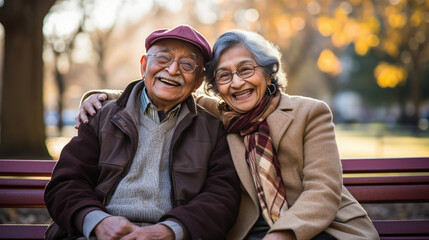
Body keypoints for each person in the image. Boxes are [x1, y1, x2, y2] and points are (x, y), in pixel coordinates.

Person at [77, 30, 379, 240]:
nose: (236, 83)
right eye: (224, 75)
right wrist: (99, 96)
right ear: (213, 86)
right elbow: (162, 89)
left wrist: (284, 235)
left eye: (246, 70)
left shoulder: (309, 113)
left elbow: (322, 191)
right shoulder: (219, 113)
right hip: (251, 231)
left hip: (319, 228)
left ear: (268, 71)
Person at [44, 25, 241, 240]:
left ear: (198, 82)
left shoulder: (211, 128)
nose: (173, 70)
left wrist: (171, 230)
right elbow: (66, 183)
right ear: (144, 66)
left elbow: (221, 197)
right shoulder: (102, 115)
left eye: (187, 64)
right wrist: (98, 221)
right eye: (163, 58)